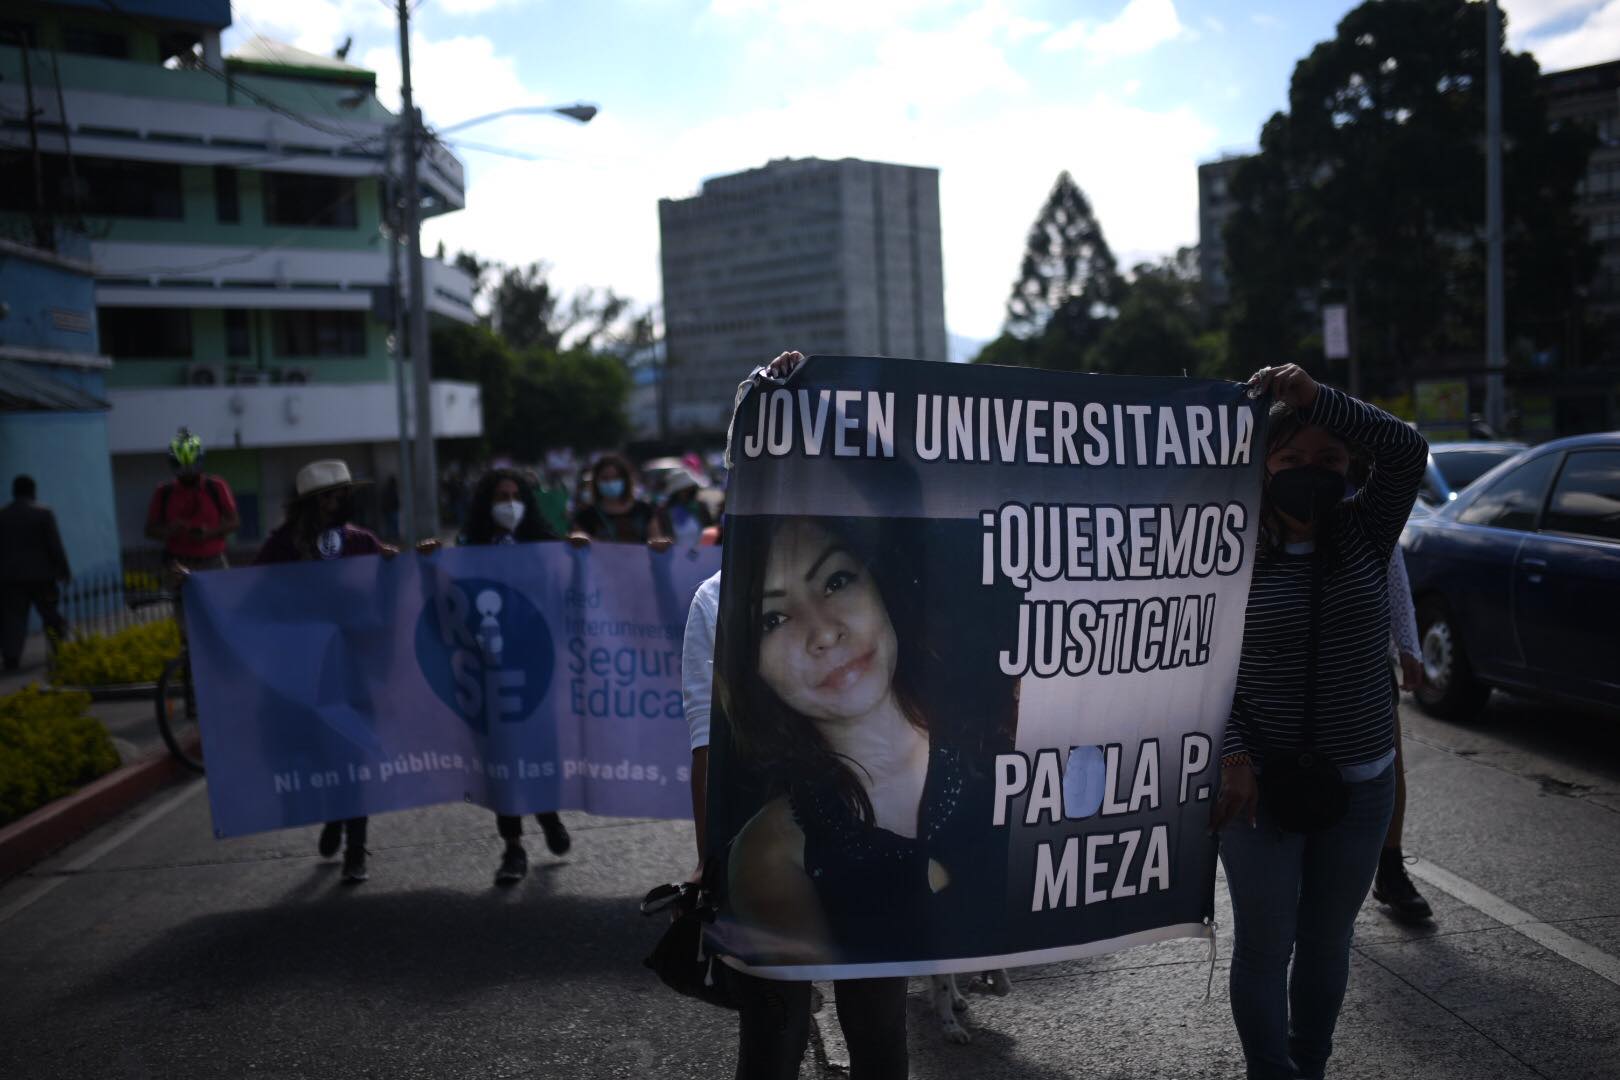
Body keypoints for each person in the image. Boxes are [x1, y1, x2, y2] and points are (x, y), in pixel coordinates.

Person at [1211, 364, 1426, 1080]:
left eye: (1329, 460)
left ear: (1349, 469)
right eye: (1291, 458)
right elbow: (1196, 668)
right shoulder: (1222, 549)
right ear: (1261, 466)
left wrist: (1319, 401)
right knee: (1265, 947)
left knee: (1328, 942)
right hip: (1258, 790)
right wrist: (1233, 754)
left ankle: (1311, 1067)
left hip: (1362, 786)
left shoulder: (1367, 529)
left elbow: (1407, 452)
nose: (1311, 472)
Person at [684, 564, 911, 1080]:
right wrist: (709, 862)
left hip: (876, 842)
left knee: (869, 1031)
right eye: (772, 618)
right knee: (777, 1034)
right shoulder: (716, 596)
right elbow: (708, 743)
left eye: (834, 583)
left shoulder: (869, 560)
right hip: (775, 850)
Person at [253, 459, 433, 883]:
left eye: (342, 494)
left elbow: (387, 592)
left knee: (351, 752)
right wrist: (195, 584)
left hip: (354, 666)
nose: (338, 501)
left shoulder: (361, 541)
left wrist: (401, 562)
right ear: (310, 504)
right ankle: (336, 813)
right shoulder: (282, 545)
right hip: (305, 670)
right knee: (320, 753)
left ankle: (356, 846)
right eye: (329, 496)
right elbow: (254, 593)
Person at [457, 467, 573, 884]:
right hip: (490, 671)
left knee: (539, 750)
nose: (508, 503)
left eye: (515, 494)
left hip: (536, 667)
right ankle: (513, 848)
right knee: (502, 759)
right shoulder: (470, 550)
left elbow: (571, 584)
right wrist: (426, 562)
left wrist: (579, 554)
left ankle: (548, 815)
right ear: (487, 506)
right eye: (499, 496)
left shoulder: (545, 547)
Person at [1371, 545, 1433, 921]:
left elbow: (1392, 566)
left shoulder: (1366, 495)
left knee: (1389, 765)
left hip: (1364, 652)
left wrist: (1408, 645)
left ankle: (1390, 867)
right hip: (1289, 651)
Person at [145, 429, 240, 577]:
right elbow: (150, 529)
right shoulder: (164, 492)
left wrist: (209, 532)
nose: (188, 474)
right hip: (177, 563)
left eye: (192, 467)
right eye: (182, 469)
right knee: (180, 600)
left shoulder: (216, 487)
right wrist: (170, 531)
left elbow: (234, 521)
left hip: (213, 562)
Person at [0, 475, 71, 671]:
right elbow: (55, 545)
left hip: (11, 578)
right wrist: (64, 570)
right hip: (42, 576)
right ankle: (57, 649)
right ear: (33, 491)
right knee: (50, 616)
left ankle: (12, 657)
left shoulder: (3, 515)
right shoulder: (43, 513)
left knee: (13, 620)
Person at [569, 453, 670, 546]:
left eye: (616, 477)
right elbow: (577, 539)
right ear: (596, 482)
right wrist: (578, 539)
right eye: (605, 478)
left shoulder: (644, 510)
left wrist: (660, 543)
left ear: (626, 480)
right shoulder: (585, 515)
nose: (610, 482)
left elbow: (656, 539)